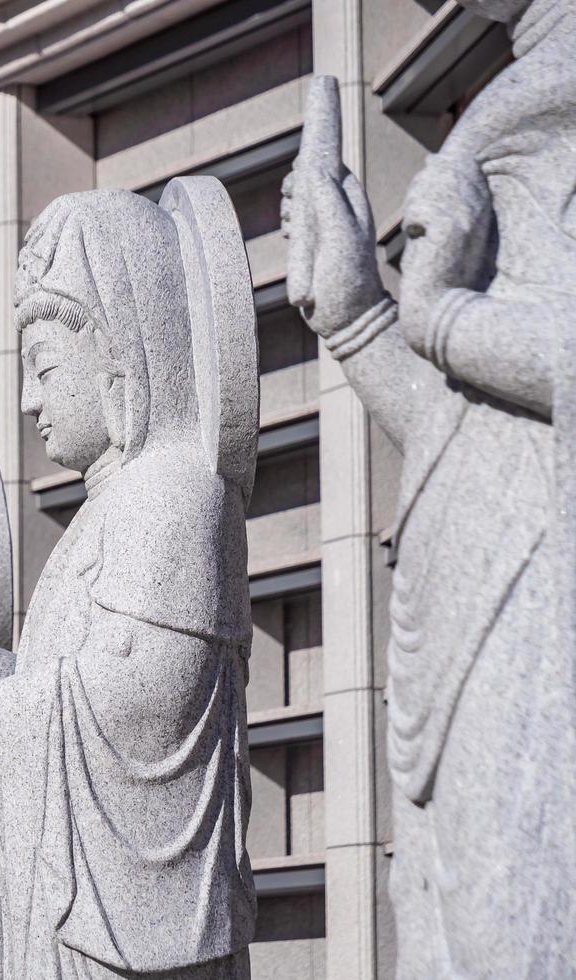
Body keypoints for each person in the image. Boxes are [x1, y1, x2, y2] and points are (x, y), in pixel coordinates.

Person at [282, 4, 576, 967]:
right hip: (467, 596)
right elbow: (463, 430)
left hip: (537, 598)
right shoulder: (519, 87)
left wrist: (439, 313)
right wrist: (356, 313)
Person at [0, 183, 259, 978]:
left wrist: (2, 709)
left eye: (44, 367)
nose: (31, 400)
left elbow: (147, 693)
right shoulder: (101, 515)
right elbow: (81, 680)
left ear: (120, 352)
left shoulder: (173, 492)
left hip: (128, 921)